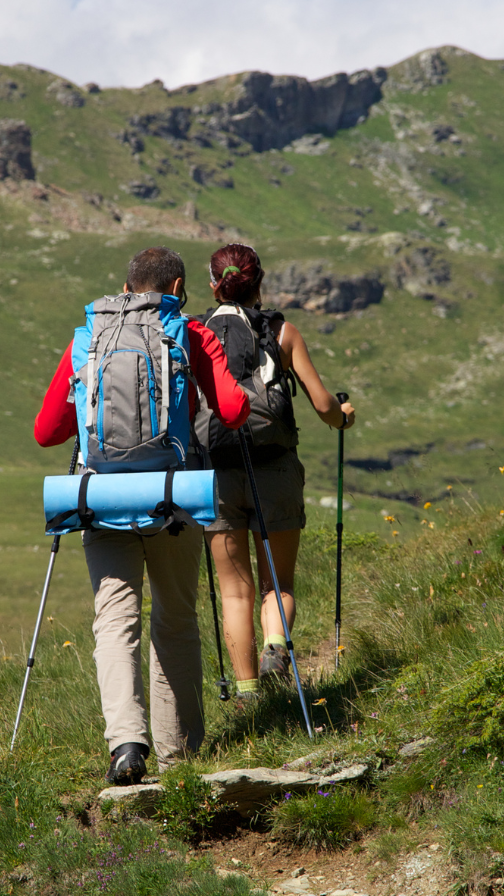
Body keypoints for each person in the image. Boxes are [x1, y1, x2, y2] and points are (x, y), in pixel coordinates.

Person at [33, 246, 249, 785]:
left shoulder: (88, 338)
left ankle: (126, 744)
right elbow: (234, 410)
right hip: (172, 495)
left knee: (114, 619)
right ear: (177, 285)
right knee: (174, 618)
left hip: (100, 498)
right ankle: (180, 756)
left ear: (125, 290)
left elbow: (45, 432)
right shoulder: (191, 334)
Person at [196, 242, 355, 699]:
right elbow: (323, 405)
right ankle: (276, 645)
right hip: (276, 471)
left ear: (213, 285)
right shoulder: (282, 333)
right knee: (277, 583)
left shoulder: (195, 334)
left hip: (216, 474)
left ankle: (247, 695)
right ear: (259, 283)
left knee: (234, 592)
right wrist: (344, 416)